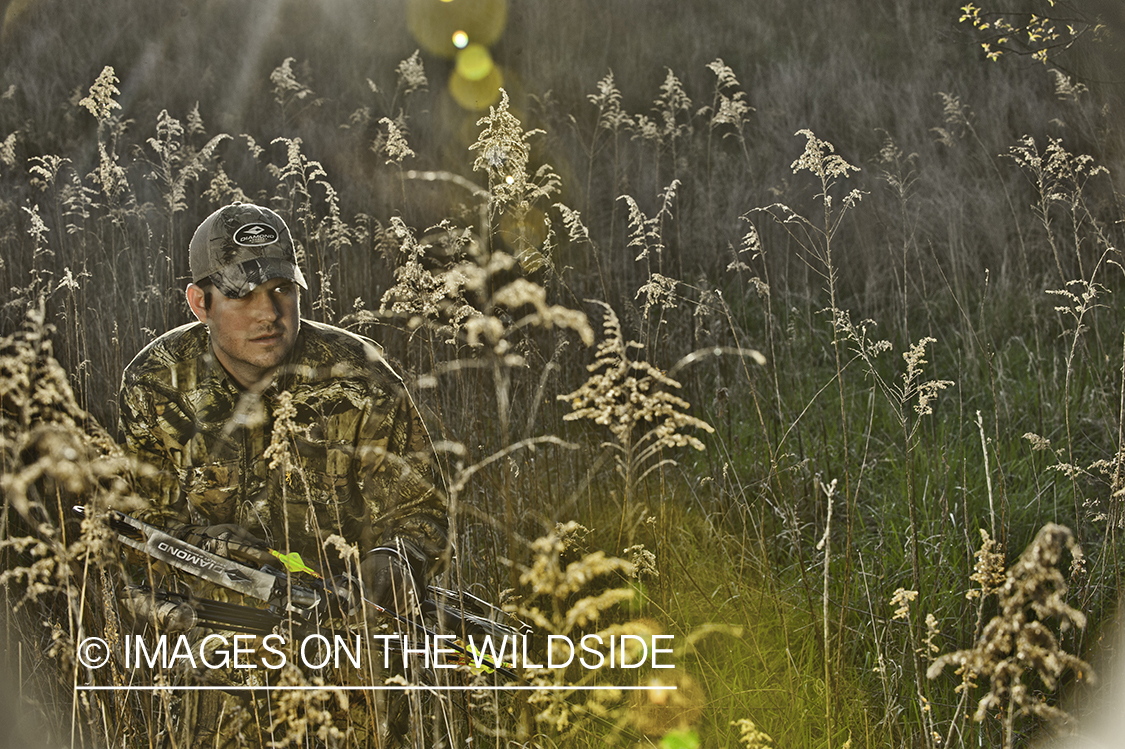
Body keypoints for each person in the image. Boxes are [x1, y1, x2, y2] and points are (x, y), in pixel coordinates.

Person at [117, 202, 449, 743]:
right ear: (200, 303)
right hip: (215, 636)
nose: (268, 312)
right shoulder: (156, 383)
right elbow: (137, 535)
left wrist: (389, 564)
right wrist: (228, 568)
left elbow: (422, 515)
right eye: (241, 294)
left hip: (342, 632)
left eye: (281, 288)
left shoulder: (359, 374)